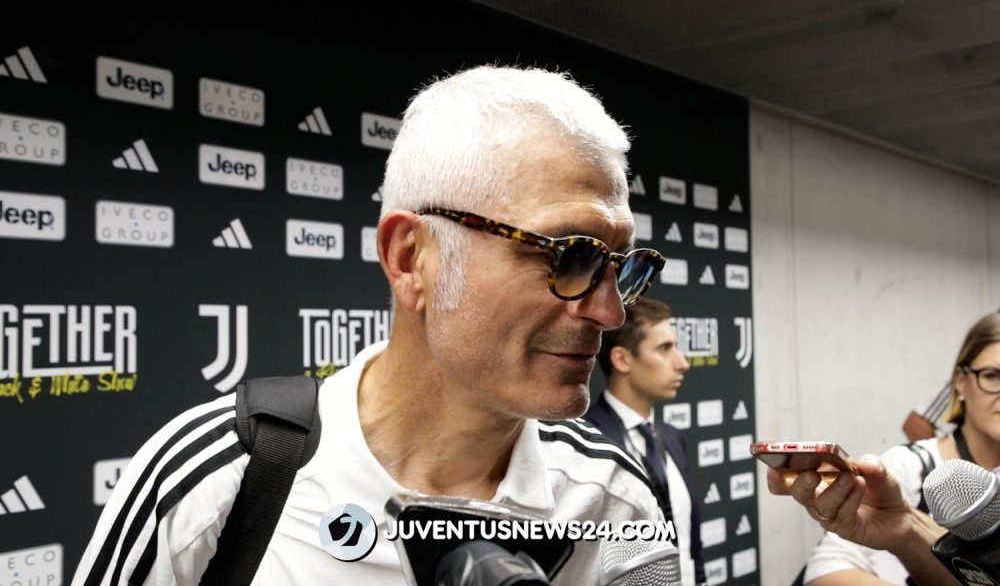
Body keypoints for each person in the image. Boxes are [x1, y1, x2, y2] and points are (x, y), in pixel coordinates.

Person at [72, 66, 671, 585]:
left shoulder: (617, 503)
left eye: (621, 266)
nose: (610, 312)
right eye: (570, 256)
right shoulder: (216, 477)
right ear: (411, 259)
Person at [772, 310, 1000, 586]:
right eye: (993, 376)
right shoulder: (908, 467)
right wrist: (907, 530)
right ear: (960, 381)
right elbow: (824, 573)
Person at [583, 298, 705, 585]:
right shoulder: (585, 442)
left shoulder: (671, 436)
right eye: (664, 349)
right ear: (622, 359)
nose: (682, 363)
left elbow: (689, 545)